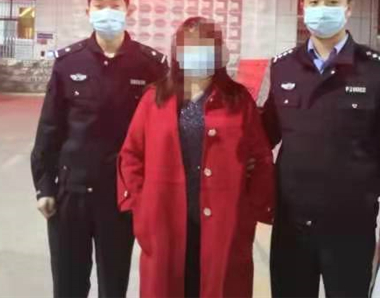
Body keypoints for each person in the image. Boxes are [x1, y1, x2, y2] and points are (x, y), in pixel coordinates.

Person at [263, 0, 380, 298]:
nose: (323, 9)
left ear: (348, 8)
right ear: (302, 5)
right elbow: (261, 137)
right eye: (315, 0)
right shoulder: (282, 67)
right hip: (292, 222)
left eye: (332, 1)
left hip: (351, 224)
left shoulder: (377, 70)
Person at [117, 17, 275, 298]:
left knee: (221, 285)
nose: (197, 54)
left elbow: (261, 158)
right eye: (189, 47)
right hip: (165, 220)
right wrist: (141, 206)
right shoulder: (155, 97)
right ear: (177, 53)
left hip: (225, 223)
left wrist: (249, 210)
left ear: (218, 53)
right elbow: (131, 155)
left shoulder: (238, 99)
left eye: (206, 46)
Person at [31, 0, 167, 298]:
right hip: (71, 194)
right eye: (99, 5)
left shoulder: (150, 66)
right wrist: (44, 187)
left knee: (113, 285)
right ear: (88, 11)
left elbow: (161, 135)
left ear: (128, 9)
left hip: (120, 197)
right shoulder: (69, 63)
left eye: (115, 5)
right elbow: (49, 129)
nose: (107, 12)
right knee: (68, 284)